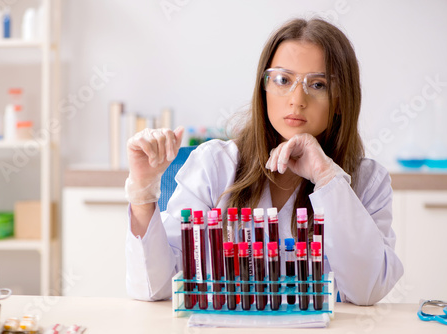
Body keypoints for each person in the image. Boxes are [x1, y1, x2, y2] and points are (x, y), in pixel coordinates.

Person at [124, 17, 404, 306]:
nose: (297, 99)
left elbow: (366, 291)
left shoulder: (368, 181)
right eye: (283, 80)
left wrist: (326, 177)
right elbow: (155, 287)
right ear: (264, 89)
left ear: (341, 101)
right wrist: (143, 192)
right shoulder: (215, 165)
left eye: (317, 84)